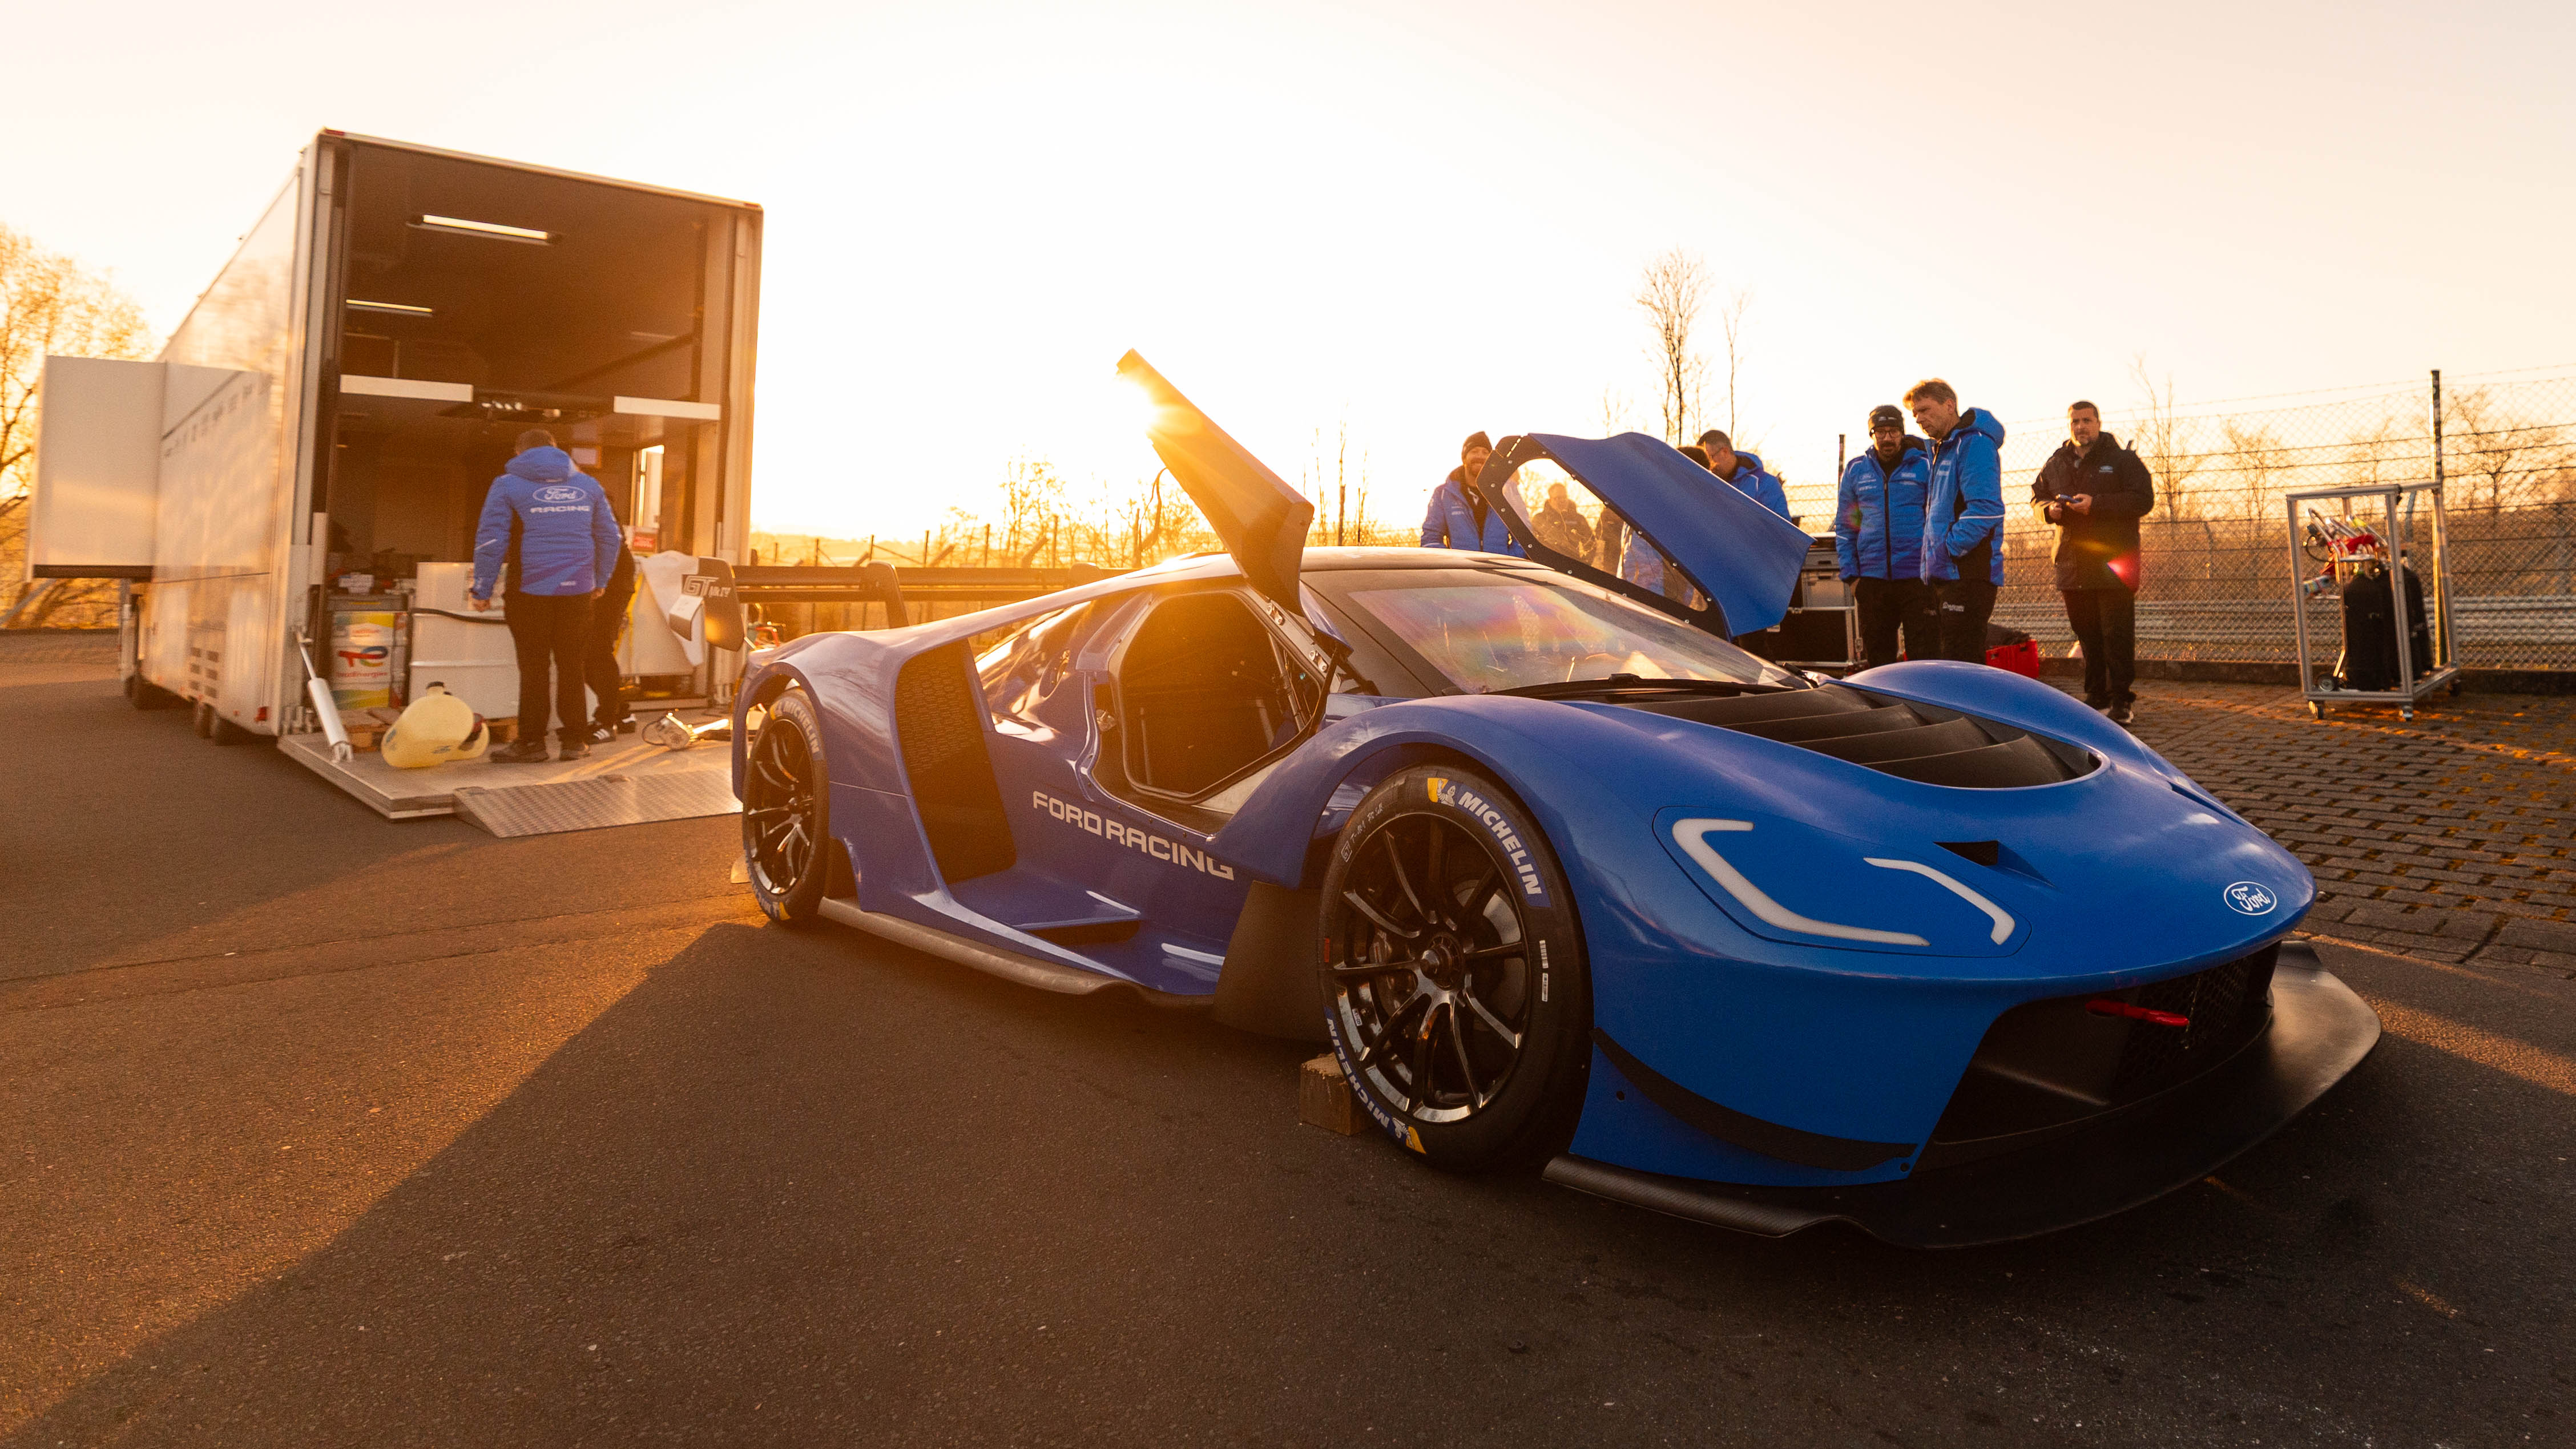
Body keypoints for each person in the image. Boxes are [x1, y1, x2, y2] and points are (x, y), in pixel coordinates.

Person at [470, 429, 622, 762]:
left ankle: (532, 743)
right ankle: (574, 742)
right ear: (557, 450)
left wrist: (482, 588)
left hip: (529, 589)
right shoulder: (588, 485)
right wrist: (601, 579)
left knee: (534, 666)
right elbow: (610, 537)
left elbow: (491, 539)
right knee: (573, 665)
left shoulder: (507, 484)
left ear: (519, 451)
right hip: (578, 590)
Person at [2034, 399, 2155, 723]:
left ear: (2099, 423)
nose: (2080, 427)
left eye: (2087, 421)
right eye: (2075, 421)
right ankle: (2096, 694)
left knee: (2116, 631)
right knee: (2086, 631)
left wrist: (2097, 505)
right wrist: (2050, 511)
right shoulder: (2056, 461)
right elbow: (2037, 496)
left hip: (2114, 560)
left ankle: (2121, 700)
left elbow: (2144, 500)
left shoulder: (2122, 460)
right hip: (2072, 562)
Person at [1906, 379, 2008, 663]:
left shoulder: (1974, 444)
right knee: (1948, 659)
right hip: (1944, 573)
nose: (1920, 420)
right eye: (1916, 415)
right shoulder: (1943, 448)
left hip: (1968, 573)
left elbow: (1987, 508)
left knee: (1961, 661)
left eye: (1925, 410)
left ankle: (1971, 709)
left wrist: (1948, 548)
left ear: (1949, 405)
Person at [1833, 404, 1938, 669]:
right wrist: (1852, 577)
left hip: (1918, 579)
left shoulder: (1925, 465)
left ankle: (1924, 708)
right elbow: (1847, 526)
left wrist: (1935, 568)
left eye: (1893, 431)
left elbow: (1937, 519)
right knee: (1880, 664)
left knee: (1924, 658)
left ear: (1902, 434)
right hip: (1872, 583)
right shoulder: (1857, 470)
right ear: (1872, 435)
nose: (1888, 438)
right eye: (1881, 432)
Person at [1420, 431, 1522, 554]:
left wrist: (1511, 562)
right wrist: (1452, 564)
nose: (1480, 456)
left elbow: (1523, 536)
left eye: (1485, 452)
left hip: (1503, 570)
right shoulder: (1444, 494)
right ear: (1464, 458)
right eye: (1474, 452)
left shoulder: (1507, 492)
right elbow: (1431, 538)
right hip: (1463, 571)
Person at [579, 539, 639, 742]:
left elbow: (611, 539)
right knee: (585, 652)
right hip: (596, 578)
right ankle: (621, 713)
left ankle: (607, 722)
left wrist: (601, 581)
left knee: (597, 650)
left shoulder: (598, 506)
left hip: (610, 582)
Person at [1696, 429, 1791, 520]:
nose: (1708, 466)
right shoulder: (1708, 483)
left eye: (1710, 458)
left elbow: (1780, 531)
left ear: (1725, 452)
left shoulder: (1765, 484)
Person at [1529, 479, 1597, 562]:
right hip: (1547, 565)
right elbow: (1532, 543)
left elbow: (1590, 542)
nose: (1562, 501)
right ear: (1550, 500)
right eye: (1558, 498)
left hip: (1572, 565)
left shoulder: (1578, 519)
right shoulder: (1540, 519)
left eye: (1564, 497)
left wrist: (1585, 562)